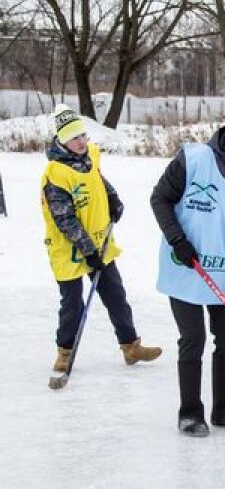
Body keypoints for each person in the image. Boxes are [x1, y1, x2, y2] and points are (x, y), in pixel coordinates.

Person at [150, 105, 225, 437]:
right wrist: (178, 240)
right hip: (186, 267)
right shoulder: (194, 160)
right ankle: (190, 413)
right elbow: (159, 199)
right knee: (193, 339)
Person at [41, 104, 162, 373]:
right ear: (62, 141)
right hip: (69, 250)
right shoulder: (55, 175)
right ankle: (64, 352)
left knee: (116, 296)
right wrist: (87, 250)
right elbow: (65, 220)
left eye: (83, 135)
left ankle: (131, 346)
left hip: (100, 243)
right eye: (74, 138)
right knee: (73, 303)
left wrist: (112, 197)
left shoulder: (90, 157)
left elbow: (98, 180)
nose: (82, 141)